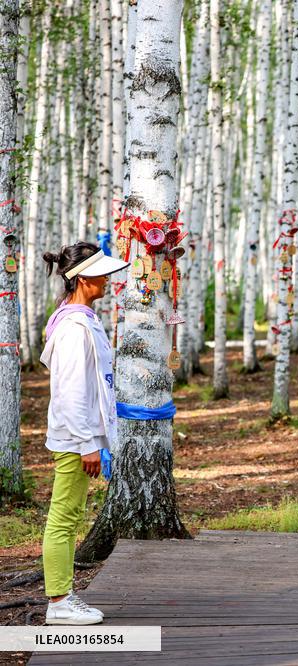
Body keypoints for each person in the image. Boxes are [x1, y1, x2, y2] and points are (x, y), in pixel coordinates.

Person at [39, 242, 128, 625]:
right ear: (83, 278)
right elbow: (72, 391)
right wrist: (88, 444)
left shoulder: (81, 319)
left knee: (70, 514)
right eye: (101, 273)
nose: (107, 280)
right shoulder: (74, 328)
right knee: (63, 518)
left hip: (80, 437)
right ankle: (59, 602)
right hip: (76, 440)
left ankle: (62, 596)